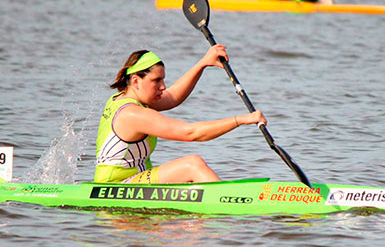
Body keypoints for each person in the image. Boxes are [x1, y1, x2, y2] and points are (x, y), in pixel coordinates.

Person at [93, 45, 267, 184]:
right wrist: (242, 119)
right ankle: (229, 205)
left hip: (134, 180)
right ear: (136, 81)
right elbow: (190, 133)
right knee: (192, 165)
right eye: (156, 81)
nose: (163, 86)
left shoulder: (121, 99)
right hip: (117, 185)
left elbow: (173, 97)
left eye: (163, 79)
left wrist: (203, 63)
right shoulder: (133, 114)